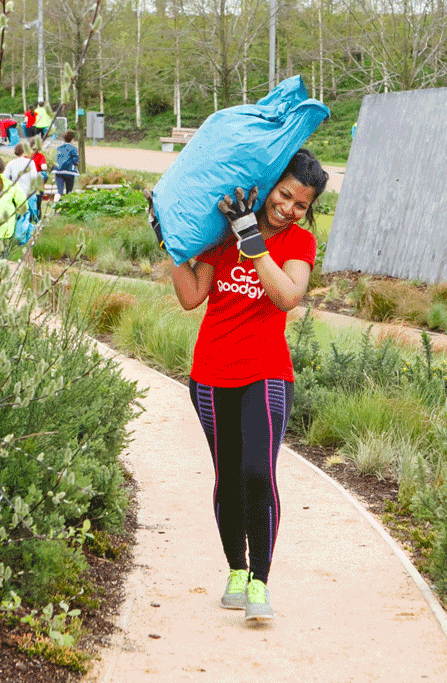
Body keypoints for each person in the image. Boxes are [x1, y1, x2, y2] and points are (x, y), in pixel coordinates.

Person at [150, 149, 328, 622]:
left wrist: (253, 238)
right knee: (228, 477)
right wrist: (172, 246)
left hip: (265, 374)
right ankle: (235, 570)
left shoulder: (298, 245)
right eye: (284, 194)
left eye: (300, 204)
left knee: (256, 474)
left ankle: (260, 584)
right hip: (209, 375)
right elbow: (192, 297)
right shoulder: (222, 236)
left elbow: (288, 295)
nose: (288, 208)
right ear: (270, 184)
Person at [5, 142, 39, 228]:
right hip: (28, 191)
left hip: (16, 192)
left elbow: (6, 178)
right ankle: (31, 228)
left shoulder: (11, 163)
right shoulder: (30, 162)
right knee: (32, 213)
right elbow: (34, 177)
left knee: (17, 213)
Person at [53, 130, 79, 198]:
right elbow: (75, 159)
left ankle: (57, 197)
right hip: (69, 171)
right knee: (69, 191)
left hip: (58, 171)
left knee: (60, 190)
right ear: (72, 139)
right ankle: (68, 203)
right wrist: (76, 163)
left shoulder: (59, 148)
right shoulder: (73, 148)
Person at [29, 138, 49, 219]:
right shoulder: (40, 156)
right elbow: (44, 167)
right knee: (38, 203)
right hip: (38, 183)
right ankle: (37, 219)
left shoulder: (26, 156)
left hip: (28, 182)